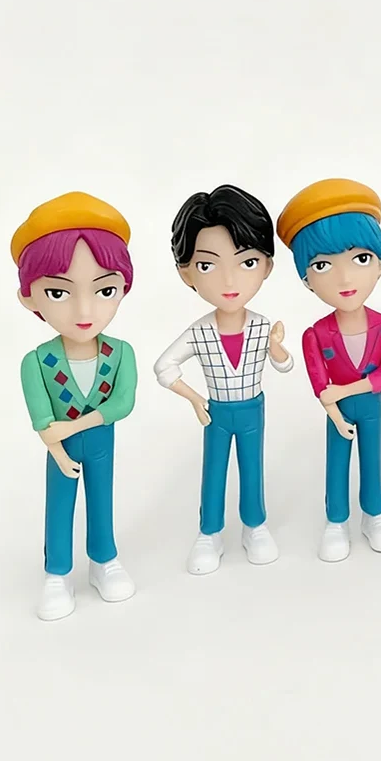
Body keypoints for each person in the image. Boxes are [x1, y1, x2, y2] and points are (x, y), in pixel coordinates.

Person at [154, 185, 292, 575]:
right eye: (207, 265)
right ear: (186, 273)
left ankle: (255, 526)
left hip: (252, 409)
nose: (229, 280)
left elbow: (285, 366)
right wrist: (195, 398)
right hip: (215, 410)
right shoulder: (199, 332)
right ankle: (209, 532)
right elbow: (164, 367)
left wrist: (277, 347)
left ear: (266, 266)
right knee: (213, 471)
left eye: (246, 262)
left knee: (252, 467)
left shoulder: (262, 325)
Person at [14, 191, 138, 620]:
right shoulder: (36, 361)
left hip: (100, 442)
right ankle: (57, 572)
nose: (85, 310)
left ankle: (104, 560)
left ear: (123, 289)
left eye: (105, 290)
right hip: (60, 450)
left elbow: (123, 402)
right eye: (58, 292)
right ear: (30, 297)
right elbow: (42, 419)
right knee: (59, 504)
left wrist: (73, 426)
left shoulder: (120, 353)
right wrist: (57, 444)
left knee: (102, 500)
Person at [276, 179, 381, 563]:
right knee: (337, 462)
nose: (344, 279)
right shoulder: (315, 334)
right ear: (306, 280)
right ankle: (336, 521)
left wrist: (344, 392)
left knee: (372, 460)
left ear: (380, 265)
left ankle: (374, 514)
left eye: (360, 259)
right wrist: (333, 410)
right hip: (338, 413)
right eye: (322, 265)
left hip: (368, 406)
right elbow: (320, 385)